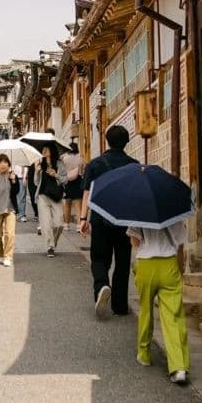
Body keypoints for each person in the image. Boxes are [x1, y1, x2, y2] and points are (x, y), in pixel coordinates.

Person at [78, 125, 137, 319]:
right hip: (125, 220)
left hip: (101, 218)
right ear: (126, 141)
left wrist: (83, 218)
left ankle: (102, 286)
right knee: (122, 261)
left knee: (100, 259)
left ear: (107, 140)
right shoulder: (133, 165)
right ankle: (120, 305)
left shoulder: (95, 164)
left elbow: (87, 192)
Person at [130, 219, 190, 385]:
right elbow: (180, 247)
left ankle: (144, 353)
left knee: (145, 310)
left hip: (146, 264)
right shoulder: (175, 213)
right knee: (173, 316)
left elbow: (134, 241)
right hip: (169, 263)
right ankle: (179, 367)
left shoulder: (139, 211)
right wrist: (179, 269)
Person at [0, 153, 22, 267]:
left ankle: (8, 256)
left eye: (5, 162)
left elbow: (16, 192)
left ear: (9, 164)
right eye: (0, 162)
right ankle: (0, 254)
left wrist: (13, 181)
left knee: (9, 234)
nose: (2, 164)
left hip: (10, 208)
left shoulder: (13, 176)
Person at [35, 143, 66, 255]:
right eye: (43, 148)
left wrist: (56, 175)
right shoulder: (40, 164)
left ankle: (53, 243)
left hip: (56, 197)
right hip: (42, 196)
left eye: (46, 148)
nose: (44, 150)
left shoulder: (60, 164)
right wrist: (37, 172)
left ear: (52, 150)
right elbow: (36, 182)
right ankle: (50, 247)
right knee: (46, 224)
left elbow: (65, 180)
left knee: (59, 224)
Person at [60, 141, 85, 228]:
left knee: (67, 204)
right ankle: (79, 225)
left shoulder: (64, 158)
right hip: (78, 182)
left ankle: (66, 224)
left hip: (67, 182)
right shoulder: (80, 159)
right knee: (78, 204)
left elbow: (61, 171)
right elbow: (82, 172)